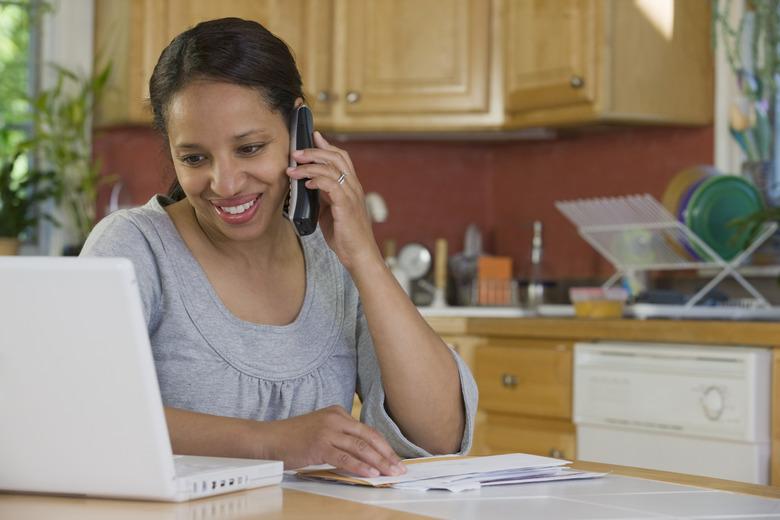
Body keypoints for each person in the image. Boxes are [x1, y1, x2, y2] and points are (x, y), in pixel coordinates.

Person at [82, 17, 477, 478]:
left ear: (298, 130)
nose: (224, 183)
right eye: (194, 158)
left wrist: (364, 258)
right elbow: (81, 411)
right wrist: (269, 443)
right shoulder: (133, 247)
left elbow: (439, 436)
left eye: (249, 148)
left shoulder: (333, 261)